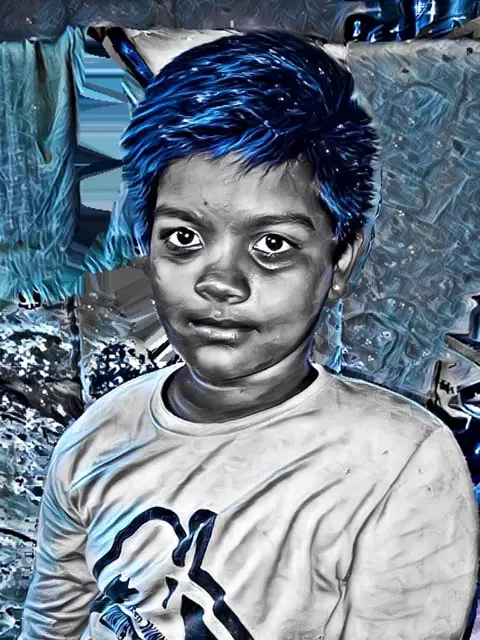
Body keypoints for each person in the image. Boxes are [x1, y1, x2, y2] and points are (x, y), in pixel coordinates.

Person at [20, 30, 478, 640]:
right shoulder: (94, 442)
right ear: (145, 246)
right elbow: (51, 624)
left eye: (273, 244)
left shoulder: (400, 464)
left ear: (339, 263)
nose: (221, 282)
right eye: (184, 237)